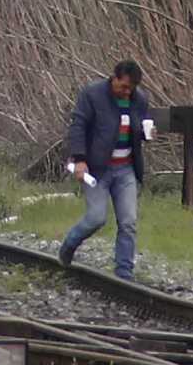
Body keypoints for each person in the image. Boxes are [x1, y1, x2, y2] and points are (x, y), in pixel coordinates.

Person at [57, 58, 155, 280]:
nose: (127, 92)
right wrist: (80, 159)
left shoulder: (139, 101)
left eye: (131, 88)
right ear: (114, 77)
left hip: (126, 169)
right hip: (97, 169)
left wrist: (145, 133)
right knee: (96, 218)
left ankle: (124, 272)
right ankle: (69, 244)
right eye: (124, 87)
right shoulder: (93, 95)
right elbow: (78, 126)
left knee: (128, 221)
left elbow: (137, 128)